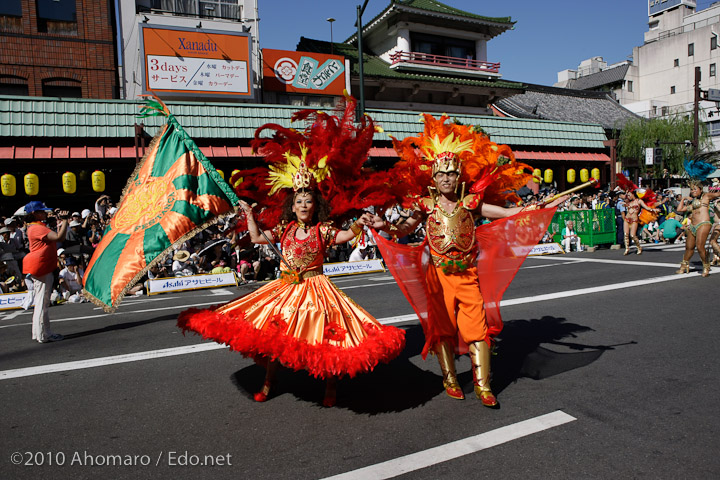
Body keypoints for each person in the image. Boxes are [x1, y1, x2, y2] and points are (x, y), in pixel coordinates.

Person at [178, 100, 405, 407]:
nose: (302, 205)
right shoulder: (284, 230)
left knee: (328, 342)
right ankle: (270, 383)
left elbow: (348, 235)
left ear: (316, 205)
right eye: (298, 201)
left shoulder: (322, 230)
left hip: (317, 291)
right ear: (292, 204)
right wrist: (248, 214)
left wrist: (361, 221)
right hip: (283, 289)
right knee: (275, 341)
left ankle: (330, 387)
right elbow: (257, 237)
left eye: (308, 201)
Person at [370, 115, 566, 407]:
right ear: (433, 177)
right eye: (441, 174)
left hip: (467, 274)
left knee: (477, 329)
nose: (446, 178)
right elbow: (404, 229)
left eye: (451, 173)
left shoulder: (471, 203)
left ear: (459, 175)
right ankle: (449, 378)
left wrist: (532, 208)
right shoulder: (425, 204)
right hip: (438, 277)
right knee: (444, 329)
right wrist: (382, 225)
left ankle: (484, 385)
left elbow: (505, 214)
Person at [22, 201, 69, 343]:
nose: (44, 213)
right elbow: (59, 237)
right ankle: (44, 334)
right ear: (34, 213)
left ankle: (39, 333)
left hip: (39, 266)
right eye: (41, 211)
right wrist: (65, 220)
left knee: (40, 302)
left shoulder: (34, 227)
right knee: (43, 302)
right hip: (41, 266)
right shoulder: (37, 228)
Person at [675, 181, 720, 276]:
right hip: (692, 226)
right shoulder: (693, 204)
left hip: (704, 224)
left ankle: (706, 266)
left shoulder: (706, 197)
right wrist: (683, 198)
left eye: (695, 189)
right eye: (691, 189)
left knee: (700, 246)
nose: (693, 191)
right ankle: (684, 265)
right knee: (689, 247)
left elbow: (717, 193)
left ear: (700, 189)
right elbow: (679, 209)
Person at [621, 190, 658, 255]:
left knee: (632, 235)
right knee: (625, 234)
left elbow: (646, 207)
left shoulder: (639, 201)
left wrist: (653, 210)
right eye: (628, 196)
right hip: (627, 219)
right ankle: (627, 249)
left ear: (633, 194)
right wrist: (625, 205)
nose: (628, 197)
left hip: (634, 219)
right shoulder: (629, 202)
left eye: (629, 195)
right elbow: (625, 206)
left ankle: (639, 247)